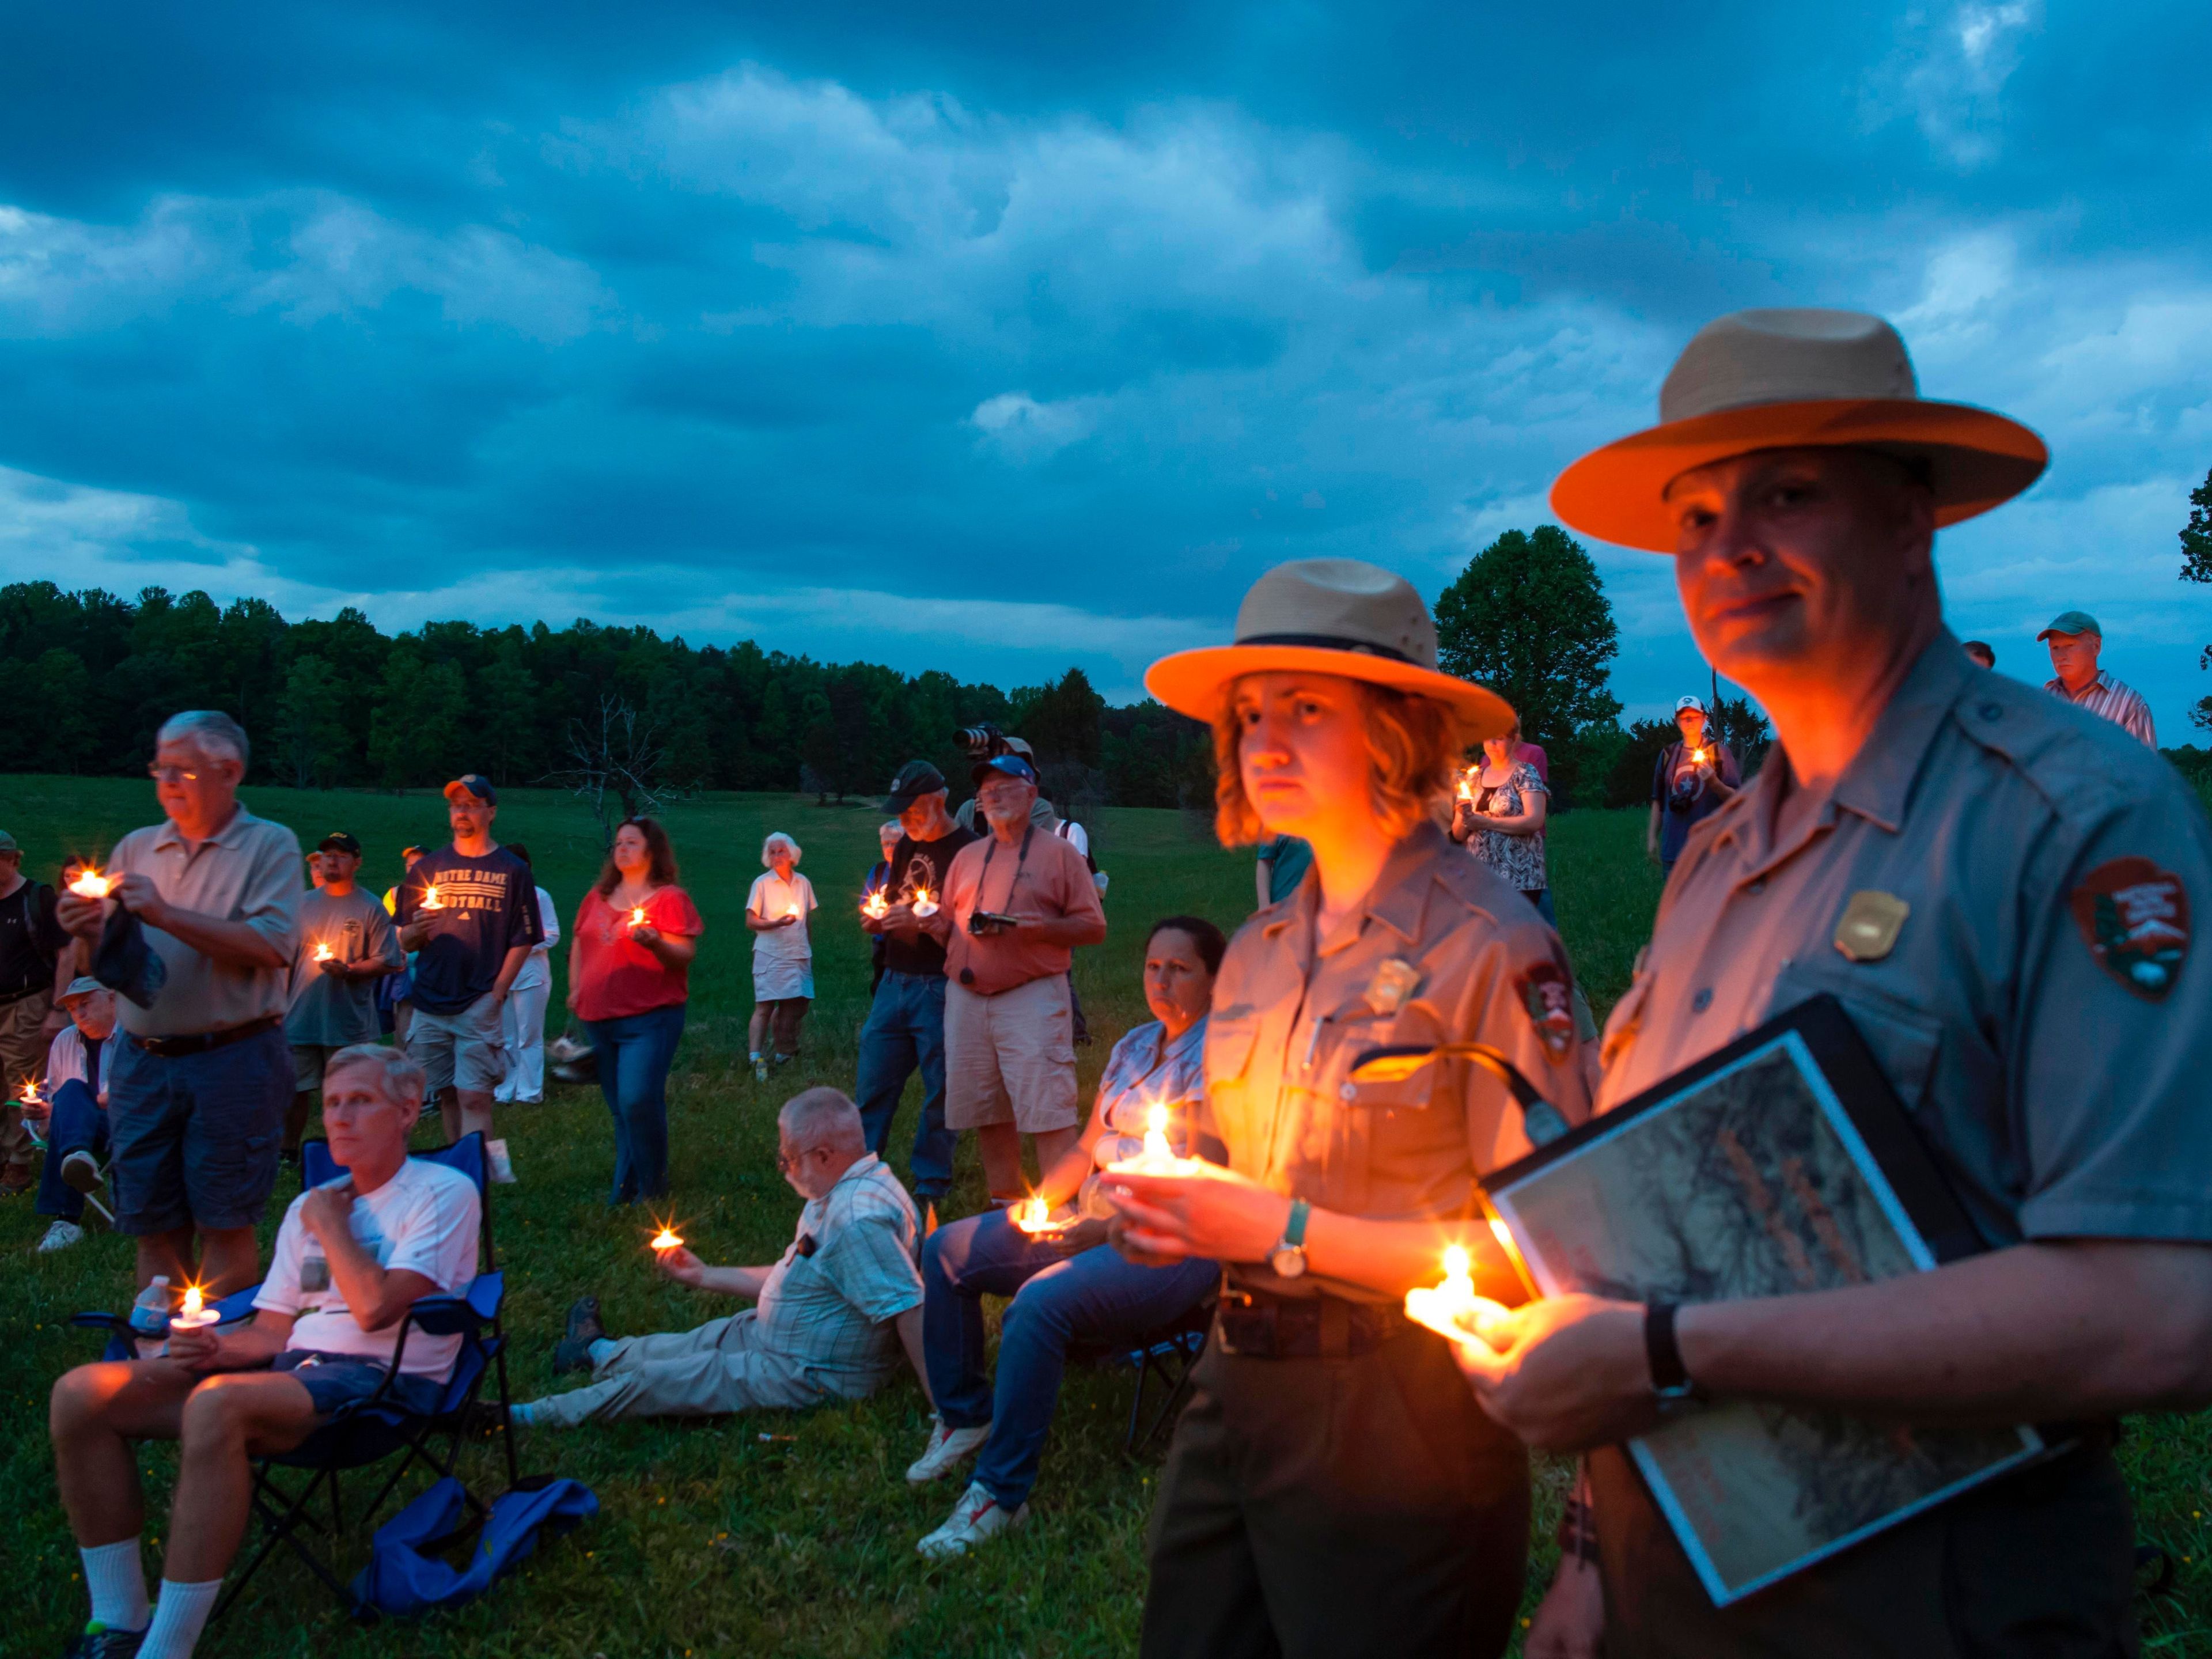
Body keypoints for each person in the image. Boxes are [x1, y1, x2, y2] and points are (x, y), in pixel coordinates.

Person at [1474, 305, 2212, 1658]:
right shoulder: (1710, 862)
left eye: (1788, 492)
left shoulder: (2069, 820)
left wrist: (1666, 1350)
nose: (1729, 545)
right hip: (1672, 1562)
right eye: (1694, 515)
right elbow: (1657, 1243)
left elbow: (2157, 1315)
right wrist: (1589, 1557)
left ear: (1910, 510)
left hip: (1924, 1589)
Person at [1104, 558, 1595, 1659]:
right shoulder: (1263, 954)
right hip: (1231, 1386)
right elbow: (1238, 1172)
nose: (1265, 743)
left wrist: (1282, 1232)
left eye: (1308, 709)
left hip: (1401, 1420)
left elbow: (1551, 1255)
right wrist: (1174, 1203)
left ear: (1398, 730)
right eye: (1250, 715)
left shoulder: (1492, 949)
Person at [47, 1043, 478, 1659]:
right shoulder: (309, 1207)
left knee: (217, 1406)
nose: (340, 1118)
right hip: (291, 1373)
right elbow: (274, 1333)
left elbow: (377, 1309)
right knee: (81, 1394)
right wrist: (211, 1347)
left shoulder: (441, 1193)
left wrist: (331, 1225)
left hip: (384, 1384)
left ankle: (166, 1649)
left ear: (409, 1111)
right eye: (331, 1104)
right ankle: (118, 1621)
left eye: (360, 1101)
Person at [907, 916, 1228, 1558]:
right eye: (1152, 967)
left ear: (1216, 980)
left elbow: (1213, 1182)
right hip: (1090, 1220)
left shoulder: (1228, 1058)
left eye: (1180, 969)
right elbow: (1086, 1149)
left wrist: (1102, 1231)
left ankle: (1000, 1495)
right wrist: (1041, 1202)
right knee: (947, 1251)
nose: (1160, 981)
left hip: (1171, 1241)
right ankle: (967, 1415)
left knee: (1039, 1304)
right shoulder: (1135, 1046)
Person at [54, 711, 300, 1298]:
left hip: (233, 1058)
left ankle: (217, 1366)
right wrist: (85, 933)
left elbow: (271, 945)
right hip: (141, 1060)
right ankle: (158, 1355)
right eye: (159, 766)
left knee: (224, 1220)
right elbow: (112, 967)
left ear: (229, 771)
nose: (165, 780)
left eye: (181, 769)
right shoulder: (137, 847)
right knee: (153, 1225)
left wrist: (165, 913)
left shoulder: (268, 846)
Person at [513, 1087, 928, 1429]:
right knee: (695, 1343)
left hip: (808, 1370)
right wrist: (705, 1275)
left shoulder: (856, 1222)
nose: (783, 1169)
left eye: (788, 1158)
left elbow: (907, 1306)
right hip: (778, 1340)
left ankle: (529, 1416)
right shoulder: (846, 1188)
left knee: (660, 1381)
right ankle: (596, 1352)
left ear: (823, 1156)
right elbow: (805, 1273)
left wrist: (946, 1409)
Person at [930, 753, 1108, 1204]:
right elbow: (949, 927)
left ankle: (1064, 1213)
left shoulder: (1061, 855)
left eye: (1006, 788)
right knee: (989, 1109)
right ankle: (1004, 1208)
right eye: (987, 791)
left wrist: (1032, 929)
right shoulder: (968, 857)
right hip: (966, 999)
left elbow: (1093, 926)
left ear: (1032, 795)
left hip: (1031, 996)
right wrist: (923, 924)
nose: (994, 797)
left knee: (1048, 1110)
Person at [395, 776, 541, 1178]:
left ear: (491, 813)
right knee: (446, 1095)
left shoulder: (512, 871)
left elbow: (524, 938)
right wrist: (418, 930)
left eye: (472, 805)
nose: (462, 812)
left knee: (476, 1097)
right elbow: (403, 940)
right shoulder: (427, 868)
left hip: (478, 999)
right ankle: (456, 1174)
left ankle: (487, 1177)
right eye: (456, 805)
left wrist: (496, 993)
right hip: (430, 1000)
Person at [856, 762, 977, 1224]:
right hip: (894, 980)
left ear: (938, 801)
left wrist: (930, 925)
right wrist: (880, 920)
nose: (904, 820)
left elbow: (974, 933)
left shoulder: (969, 851)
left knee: (942, 1088)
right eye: (899, 812)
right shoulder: (906, 845)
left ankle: (931, 1181)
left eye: (911, 810)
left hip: (940, 985)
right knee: (873, 1083)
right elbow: (892, 900)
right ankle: (860, 1171)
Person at [568, 817, 702, 1207]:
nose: (622, 848)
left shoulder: (669, 898)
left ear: (650, 851)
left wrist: (656, 944)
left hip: (649, 1017)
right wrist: (576, 988)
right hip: (598, 1017)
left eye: (632, 842)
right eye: (619, 843)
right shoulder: (597, 896)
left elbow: (684, 956)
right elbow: (580, 943)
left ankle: (653, 1188)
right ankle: (626, 1188)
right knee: (620, 1108)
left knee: (638, 1098)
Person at [283, 832, 403, 1160]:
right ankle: (288, 1152)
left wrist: (349, 970)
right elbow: (283, 960)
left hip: (347, 1020)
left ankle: (346, 1151)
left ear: (357, 862)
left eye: (341, 855)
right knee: (293, 1090)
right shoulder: (302, 904)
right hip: (300, 1015)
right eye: (326, 855)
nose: (332, 861)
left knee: (349, 1091)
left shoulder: (370, 907)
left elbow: (389, 960)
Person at [0, 827, 69, 1195]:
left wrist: (58, 1009)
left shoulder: (37, 898)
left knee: (20, 1086)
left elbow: (66, 953)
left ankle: (20, 1163)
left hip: (25, 1004)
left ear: (13, 860)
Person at [28, 977, 119, 1253]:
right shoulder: (65, 1040)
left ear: (113, 999)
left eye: (85, 1004)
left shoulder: (135, 1036)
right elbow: (56, 1101)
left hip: (128, 1125)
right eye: (72, 1009)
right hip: (80, 1133)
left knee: (74, 1092)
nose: (78, 1014)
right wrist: (41, 1112)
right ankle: (78, 1159)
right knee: (70, 1091)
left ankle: (66, 1219)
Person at [1453, 719, 1553, 918]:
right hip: (1479, 876)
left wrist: (1486, 823)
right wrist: (1463, 816)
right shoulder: (1473, 779)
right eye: (1488, 739)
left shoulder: (1525, 773)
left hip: (1518, 874)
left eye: (1499, 739)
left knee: (1514, 936)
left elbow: (1534, 820)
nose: (1492, 744)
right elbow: (1458, 833)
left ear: (1513, 740)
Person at [746, 832, 817, 1081]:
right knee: (765, 1007)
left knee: (796, 1005)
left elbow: (807, 921)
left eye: (781, 851)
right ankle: (755, 1057)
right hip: (770, 953)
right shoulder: (762, 884)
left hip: (798, 954)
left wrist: (808, 948)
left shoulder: (803, 883)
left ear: (792, 855)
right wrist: (775, 923)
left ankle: (785, 1051)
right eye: (773, 852)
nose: (777, 856)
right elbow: (750, 920)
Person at [493, 843, 560, 1105]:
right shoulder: (496, 899)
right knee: (506, 1037)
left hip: (531, 976)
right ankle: (506, 1088)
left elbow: (552, 934)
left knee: (529, 1035)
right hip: (502, 977)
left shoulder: (539, 897)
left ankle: (530, 1092)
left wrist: (521, 947)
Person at [1645, 694, 1741, 876]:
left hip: (1710, 851)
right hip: (1674, 851)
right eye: (1684, 716)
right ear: (1677, 720)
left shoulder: (1720, 753)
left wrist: (1714, 783)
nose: (1689, 721)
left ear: (1705, 719)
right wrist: (1652, 838)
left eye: (1694, 716)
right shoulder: (1667, 755)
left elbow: (1737, 800)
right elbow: (1658, 801)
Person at [2040, 608, 2157, 748]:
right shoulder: (2042, 702)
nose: (2061, 656)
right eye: (2055, 648)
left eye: (2070, 646)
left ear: (2096, 646)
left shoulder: (2129, 704)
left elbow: (2145, 766)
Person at [863, 818, 903, 997]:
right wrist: (873, 911)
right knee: (881, 987)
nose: (888, 848)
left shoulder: (914, 870)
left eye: (894, 843)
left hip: (906, 942)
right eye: (885, 844)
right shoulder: (879, 871)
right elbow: (864, 903)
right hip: (881, 941)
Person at [1252, 832, 1313, 910]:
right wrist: (1264, 906)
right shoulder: (1278, 824)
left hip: (1320, 908)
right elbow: (1265, 861)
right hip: (1284, 905)